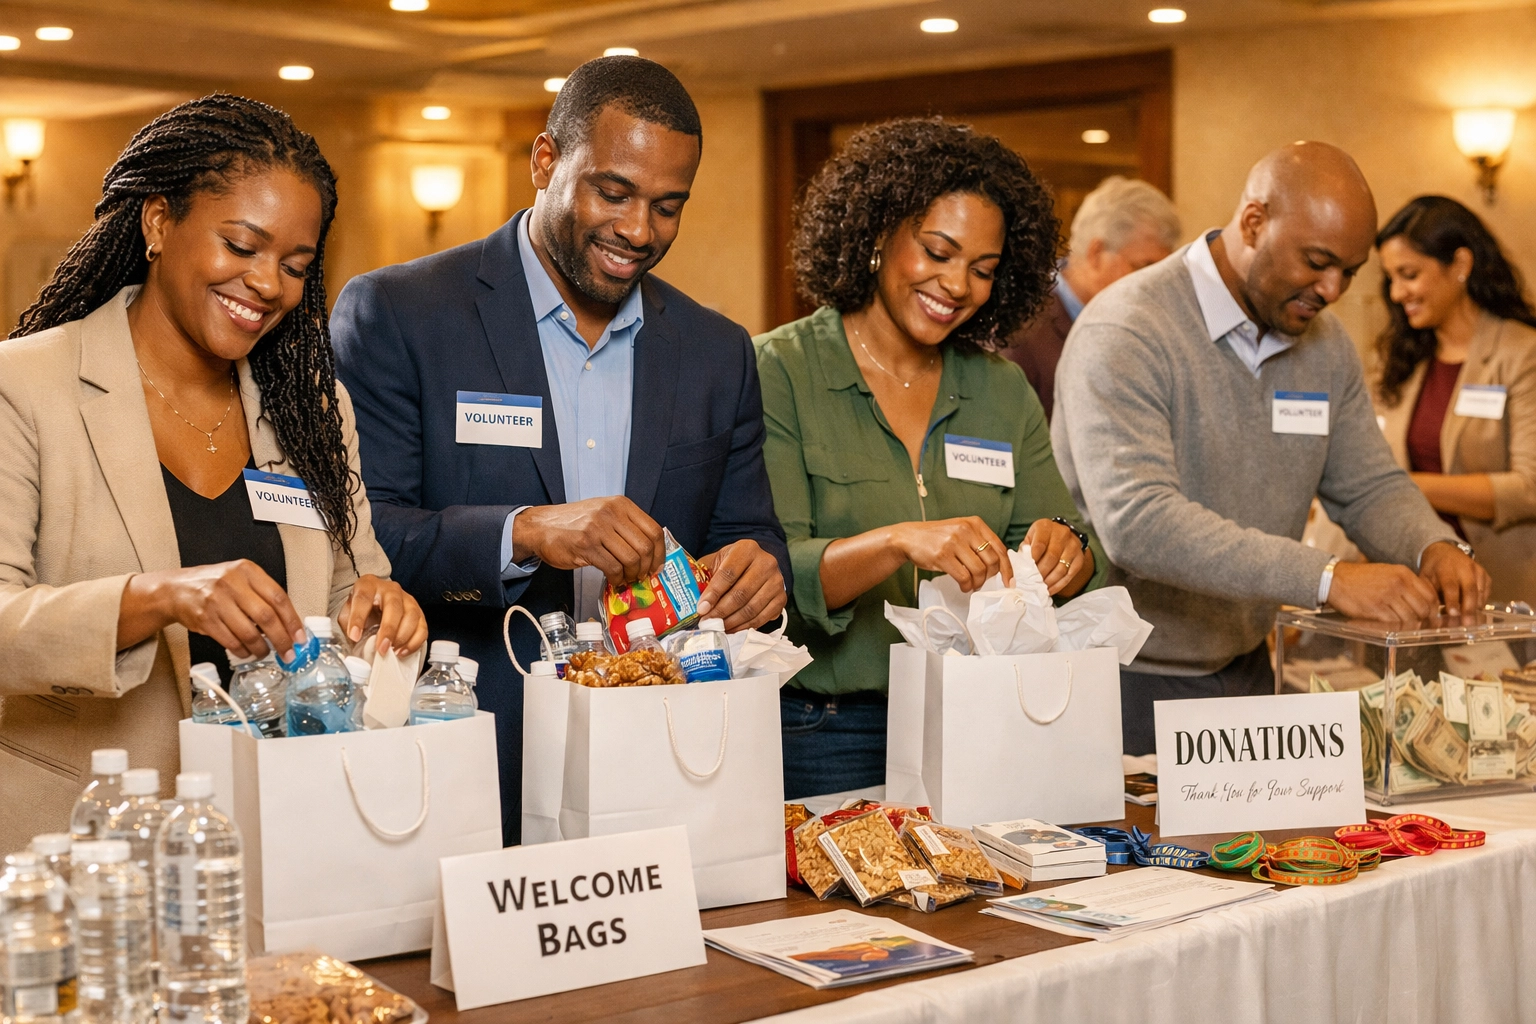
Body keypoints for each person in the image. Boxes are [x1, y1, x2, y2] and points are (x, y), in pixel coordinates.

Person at [332, 56, 789, 845]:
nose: (639, 231)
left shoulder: (717, 351)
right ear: (544, 161)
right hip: (466, 746)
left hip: (659, 759)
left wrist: (760, 572)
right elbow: (363, 544)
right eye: (613, 193)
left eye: (667, 207)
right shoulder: (402, 314)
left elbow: (753, 534)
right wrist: (527, 532)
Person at [0, 95, 427, 852]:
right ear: (158, 223)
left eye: (295, 267)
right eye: (241, 246)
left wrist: (379, 611)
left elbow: (347, 588)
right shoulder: (24, 386)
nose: (267, 284)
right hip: (84, 840)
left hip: (279, 833)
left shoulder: (312, 408)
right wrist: (159, 596)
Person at [1051, 142, 1490, 756]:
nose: (1332, 289)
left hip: (1249, 669)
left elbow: (1368, 484)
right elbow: (1138, 522)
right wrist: (1327, 578)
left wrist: (1432, 544)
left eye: (1350, 271)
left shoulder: (1326, 345)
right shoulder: (1128, 326)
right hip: (1126, 680)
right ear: (1254, 222)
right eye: (1317, 262)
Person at [756, 118, 1107, 799]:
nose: (956, 285)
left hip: (982, 717)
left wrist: (1071, 552)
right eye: (938, 252)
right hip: (825, 731)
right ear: (878, 232)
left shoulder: (1000, 388)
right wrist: (897, 543)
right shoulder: (780, 371)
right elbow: (772, 576)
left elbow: (1073, 552)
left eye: (983, 270)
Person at [1374, 196, 1536, 603]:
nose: (1397, 292)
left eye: (1409, 275)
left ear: (1461, 265)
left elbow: (1529, 487)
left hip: (1505, 594)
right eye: (1390, 278)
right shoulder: (1399, 360)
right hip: (1416, 593)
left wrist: (1404, 486)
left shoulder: (1523, 352)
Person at [1002, 176, 1180, 420]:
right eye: (1143, 267)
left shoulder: (1150, 327)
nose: (1155, 285)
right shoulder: (1019, 330)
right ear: (1096, 253)